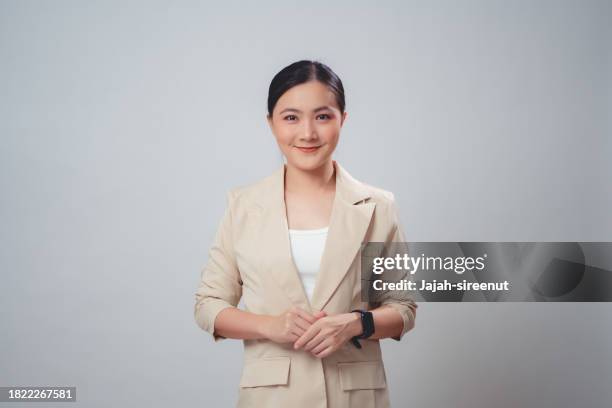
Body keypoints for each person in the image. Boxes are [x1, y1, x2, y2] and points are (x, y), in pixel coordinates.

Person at [194, 60, 417, 408]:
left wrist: (356, 323)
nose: (308, 133)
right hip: (272, 397)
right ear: (271, 123)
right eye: (291, 117)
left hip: (354, 396)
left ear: (343, 118)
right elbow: (209, 306)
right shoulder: (242, 206)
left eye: (323, 116)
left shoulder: (378, 206)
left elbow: (403, 308)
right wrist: (270, 326)